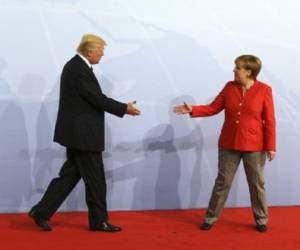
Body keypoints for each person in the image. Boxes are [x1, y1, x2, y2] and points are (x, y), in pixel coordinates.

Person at [29, 34, 141, 232]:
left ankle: (41, 211)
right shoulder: (78, 69)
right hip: (83, 136)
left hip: (78, 135)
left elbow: (93, 98)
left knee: (69, 177)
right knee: (96, 179)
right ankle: (99, 221)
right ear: (90, 51)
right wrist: (125, 108)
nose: (103, 55)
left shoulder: (76, 67)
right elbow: (97, 99)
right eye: (101, 51)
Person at [174, 55, 276, 233]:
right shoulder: (229, 87)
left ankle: (261, 219)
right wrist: (193, 109)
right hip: (228, 144)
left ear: (249, 71)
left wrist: (271, 146)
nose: (234, 70)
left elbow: (270, 120)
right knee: (222, 183)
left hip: (255, 146)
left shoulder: (265, 90)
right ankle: (210, 218)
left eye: (237, 67)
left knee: (256, 184)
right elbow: (213, 108)